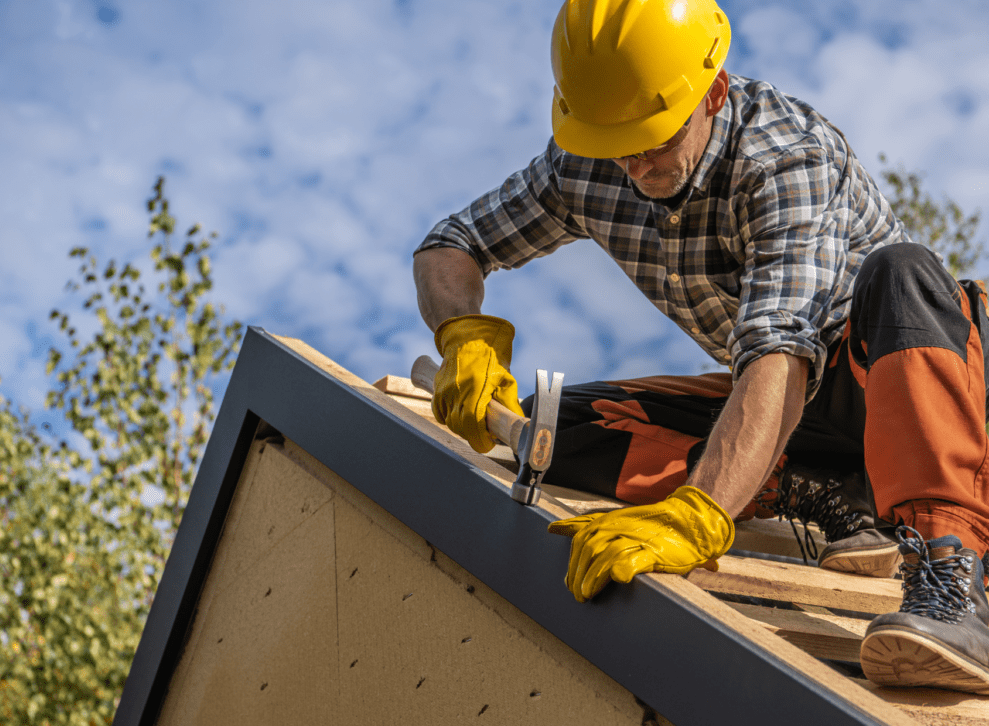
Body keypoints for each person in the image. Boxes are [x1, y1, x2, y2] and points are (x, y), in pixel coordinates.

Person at [412, 0, 989, 694]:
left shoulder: (785, 158)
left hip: (910, 390)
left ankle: (952, 578)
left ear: (712, 91)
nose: (631, 161)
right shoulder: (587, 163)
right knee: (555, 424)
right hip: (803, 419)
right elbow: (453, 245)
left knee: (903, 271)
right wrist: (463, 337)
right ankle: (834, 498)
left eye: (653, 137)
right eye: (612, 139)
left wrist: (702, 511)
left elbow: (781, 351)